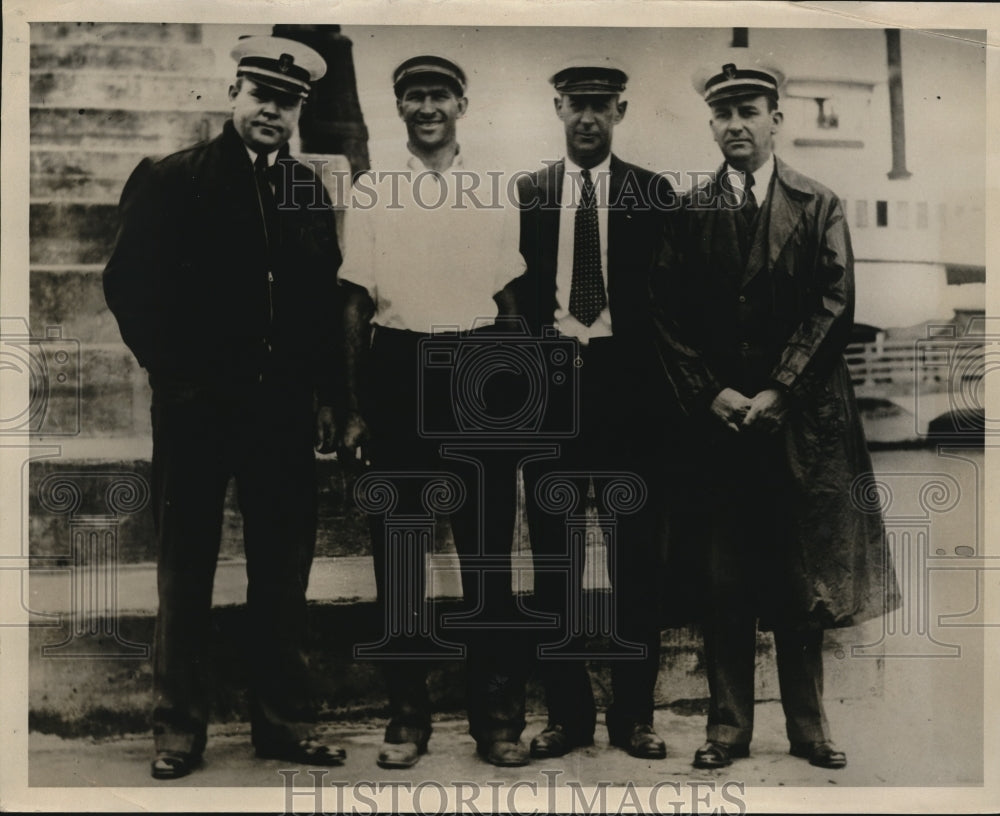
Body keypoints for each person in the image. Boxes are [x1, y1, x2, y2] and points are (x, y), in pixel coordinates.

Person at [103, 35, 346, 780]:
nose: (273, 109)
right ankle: (178, 729)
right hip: (196, 411)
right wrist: (174, 376)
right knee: (186, 569)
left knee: (282, 570)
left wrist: (327, 397)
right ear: (233, 94)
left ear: (300, 109)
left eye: (288, 100)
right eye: (261, 94)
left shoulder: (307, 187)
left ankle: (280, 722)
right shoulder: (174, 178)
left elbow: (321, 300)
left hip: (279, 414)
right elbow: (127, 286)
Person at [650, 59, 899, 770]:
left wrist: (780, 389)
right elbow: (665, 317)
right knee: (726, 580)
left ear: (775, 119)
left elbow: (834, 304)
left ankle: (808, 730)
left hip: (799, 424)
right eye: (724, 113)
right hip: (721, 428)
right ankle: (725, 732)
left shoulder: (817, 203)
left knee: (799, 580)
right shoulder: (688, 212)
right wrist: (713, 393)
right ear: (712, 124)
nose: (736, 124)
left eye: (750, 110)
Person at [338, 55, 530, 768]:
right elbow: (355, 302)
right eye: (413, 96)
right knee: (401, 555)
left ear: (461, 103)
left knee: (487, 558)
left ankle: (498, 721)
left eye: (439, 95)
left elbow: (508, 298)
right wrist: (356, 409)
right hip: (399, 371)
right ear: (398, 108)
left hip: (479, 372)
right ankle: (407, 719)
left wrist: (518, 397)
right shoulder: (375, 189)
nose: (427, 108)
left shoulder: (492, 187)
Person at [501, 60, 677, 760]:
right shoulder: (530, 193)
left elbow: (673, 301)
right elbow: (509, 290)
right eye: (576, 104)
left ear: (621, 111)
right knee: (556, 564)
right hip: (555, 393)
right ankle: (568, 716)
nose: (587, 118)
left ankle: (635, 716)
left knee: (636, 562)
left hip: (632, 395)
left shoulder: (652, 193)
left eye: (601, 105)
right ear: (557, 106)